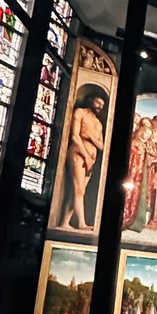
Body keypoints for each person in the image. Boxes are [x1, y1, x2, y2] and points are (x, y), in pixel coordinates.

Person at [59, 93, 106, 230]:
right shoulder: (80, 113)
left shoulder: (98, 123)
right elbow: (75, 136)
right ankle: (81, 224)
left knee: (79, 191)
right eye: (98, 102)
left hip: (91, 158)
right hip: (78, 153)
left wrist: (90, 136)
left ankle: (64, 223)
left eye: (102, 105)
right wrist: (86, 156)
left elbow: (102, 145)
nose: (100, 106)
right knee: (78, 190)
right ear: (90, 99)